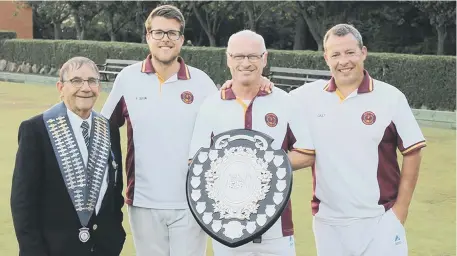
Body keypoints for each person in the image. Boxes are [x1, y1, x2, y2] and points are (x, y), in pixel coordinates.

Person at [100, 5, 272, 256]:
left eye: (172, 33)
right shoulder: (127, 78)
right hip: (142, 202)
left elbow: (228, 123)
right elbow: (103, 129)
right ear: (148, 36)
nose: (165, 39)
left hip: (193, 201)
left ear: (181, 39)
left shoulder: (200, 81)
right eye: (158, 33)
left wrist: (259, 82)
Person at [289, 24, 426, 256]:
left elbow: (413, 151)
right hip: (327, 223)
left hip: (379, 219)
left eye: (350, 52)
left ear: (363, 52)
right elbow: (270, 101)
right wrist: (257, 83)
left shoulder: (390, 97)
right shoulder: (307, 97)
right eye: (336, 54)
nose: (344, 61)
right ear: (326, 58)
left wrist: (399, 211)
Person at [188, 29, 314, 256]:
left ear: (264, 58)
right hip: (226, 228)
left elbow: (306, 152)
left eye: (253, 56)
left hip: (277, 228)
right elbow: (195, 161)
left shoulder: (285, 102)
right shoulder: (211, 105)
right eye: (238, 56)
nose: (245, 63)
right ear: (228, 59)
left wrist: (262, 164)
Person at [10, 56, 126, 256]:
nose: (86, 88)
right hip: (52, 249)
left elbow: (115, 192)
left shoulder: (109, 128)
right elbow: (23, 201)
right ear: (60, 87)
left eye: (92, 81)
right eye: (76, 81)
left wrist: (115, 236)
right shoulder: (36, 130)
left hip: (102, 248)